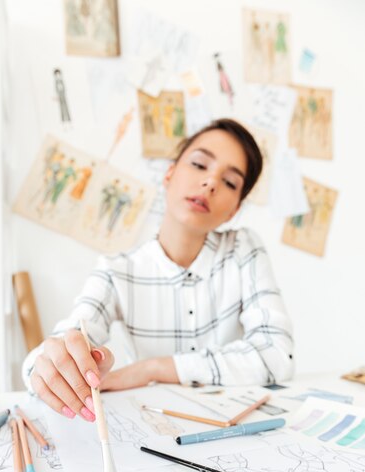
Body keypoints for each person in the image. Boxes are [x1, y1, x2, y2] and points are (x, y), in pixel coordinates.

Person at [23, 119, 294, 422]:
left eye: (230, 182)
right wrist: (49, 365)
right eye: (199, 164)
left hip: (234, 424)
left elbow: (278, 356)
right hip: (153, 428)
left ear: (233, 210)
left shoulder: (244, 249)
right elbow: (61, 344)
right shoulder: (116, 270)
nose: (211, 183)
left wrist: (151, 369)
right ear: (169, 174)